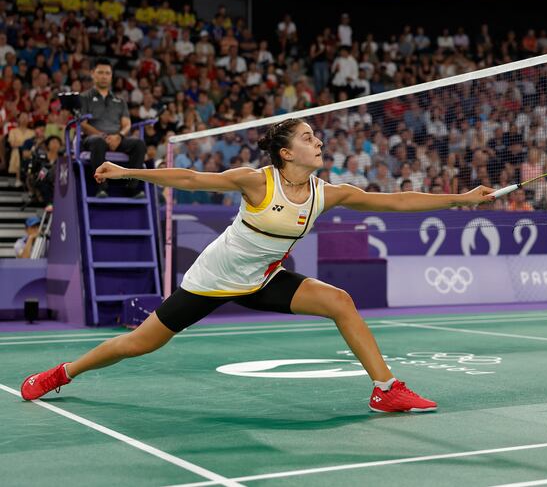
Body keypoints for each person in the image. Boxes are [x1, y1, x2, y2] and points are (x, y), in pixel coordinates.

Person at [20, 118, 495, 412]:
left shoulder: (325, 194)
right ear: (286, 152)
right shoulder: (255, 182)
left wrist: (460, 199)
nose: (318, 142)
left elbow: (394, 200)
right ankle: (62, 374)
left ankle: (385, 388)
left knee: (340, 302)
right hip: (213, 280)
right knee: (139, 343)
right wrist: (129, 172)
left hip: (262, 279)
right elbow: (189, 176)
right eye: (308, 138)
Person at [79, 58, 146, 198]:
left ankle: (131, 188)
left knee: (139, 144)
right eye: (100, 72)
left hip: (117, 138)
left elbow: (127, 124)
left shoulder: (120, 101)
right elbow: (83, 124)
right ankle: (101, 187)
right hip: (93, 139)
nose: (104, 76)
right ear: (93, 74)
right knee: (98, 142)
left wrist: (119, 136)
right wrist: (104, 136)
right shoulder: (84, 97)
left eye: (107, 73)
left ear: (111, 76)